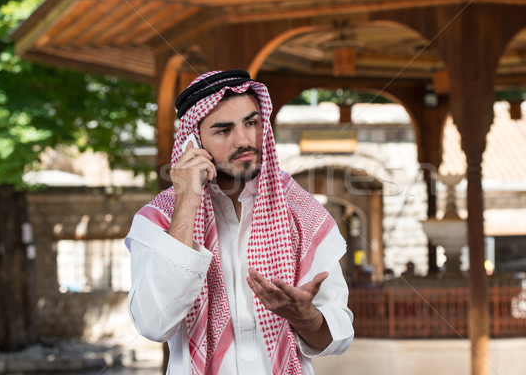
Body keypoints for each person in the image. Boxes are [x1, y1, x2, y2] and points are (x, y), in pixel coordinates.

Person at [124, 70, 354, 375]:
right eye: (223, 130)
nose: (244, 140)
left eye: (251, 123)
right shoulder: (159, 219)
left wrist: (304, 316)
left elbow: (340, 333)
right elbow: (153, 324)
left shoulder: (302, 212)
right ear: (192, 142)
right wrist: (187, 203)